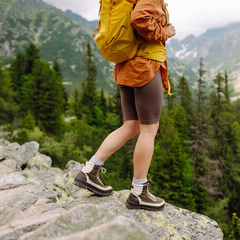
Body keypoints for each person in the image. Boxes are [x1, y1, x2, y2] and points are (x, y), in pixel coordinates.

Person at [73, 0, 176, 211]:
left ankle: (90, 170)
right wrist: (166, 33)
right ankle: (139, 192)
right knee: (149, 129)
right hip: (146, 65)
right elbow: (139, 19)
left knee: (131, 126)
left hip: (127, 65)